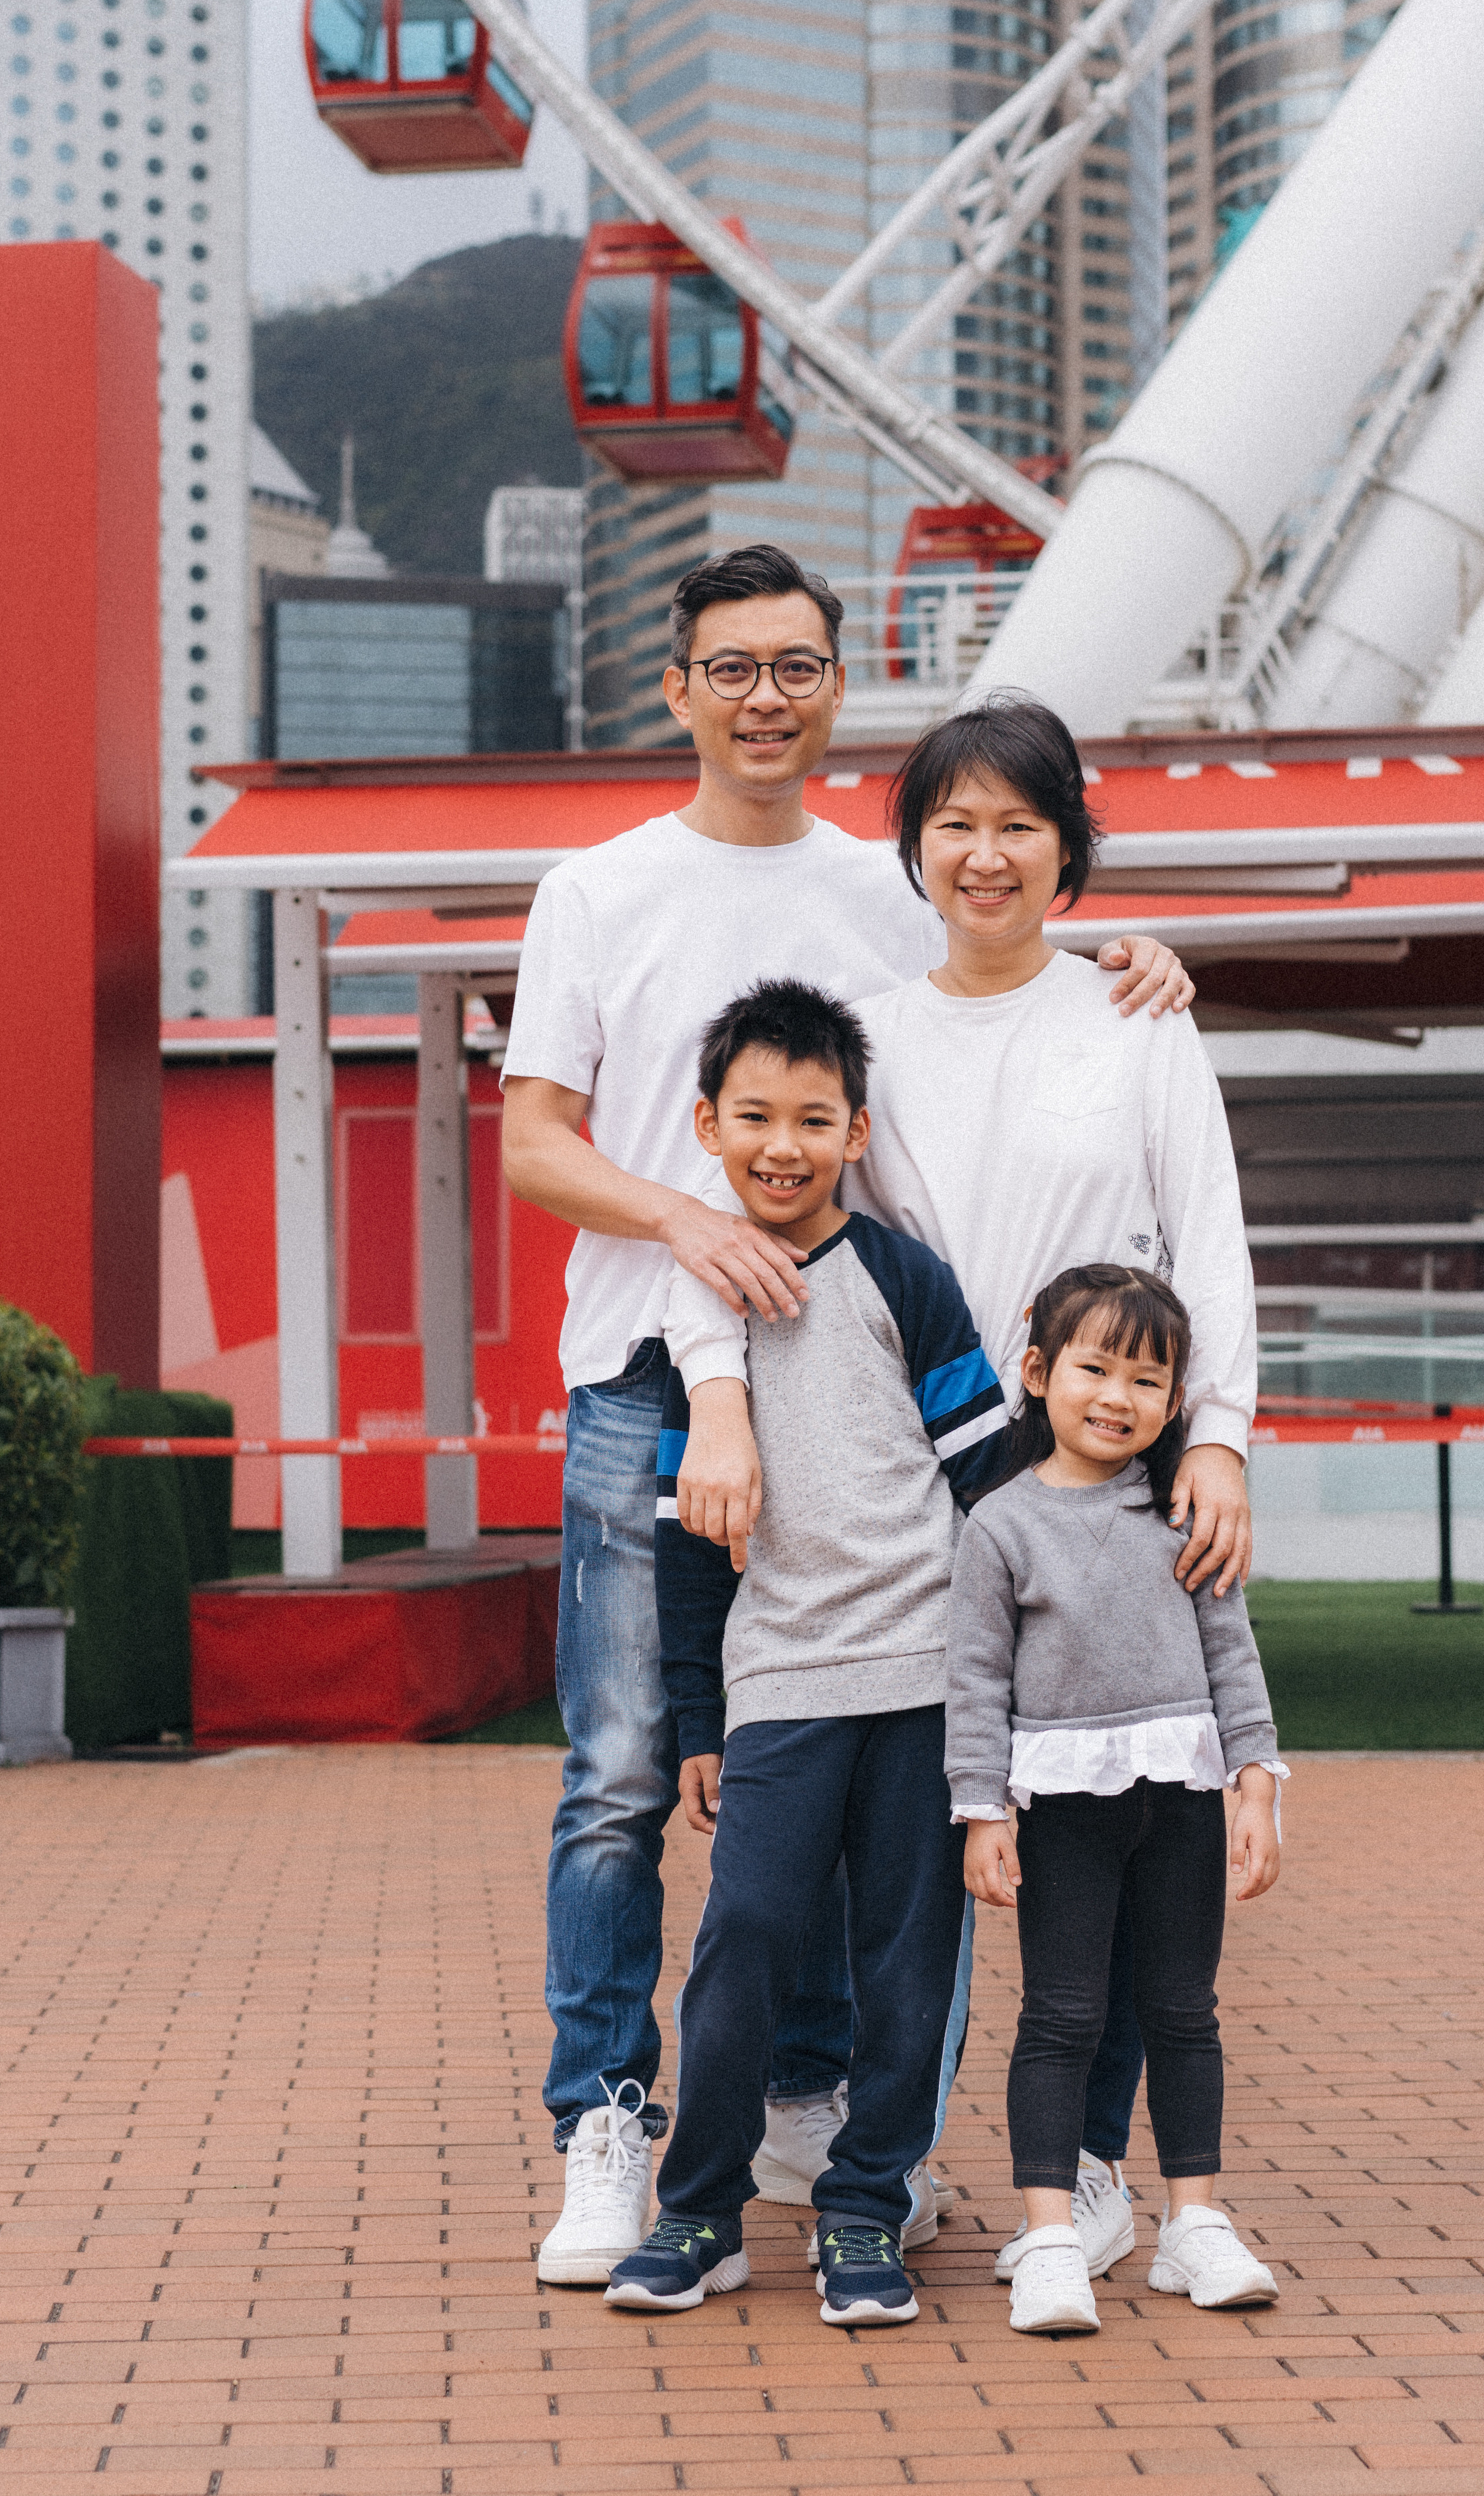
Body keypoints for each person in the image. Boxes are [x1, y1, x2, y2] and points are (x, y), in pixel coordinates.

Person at [499, 547, 1191, 2286]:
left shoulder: (881, 892)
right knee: (625, 1772)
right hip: (641, 1377)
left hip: (854, 1379)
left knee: (859, 1754)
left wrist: (1134, 965)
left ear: (834, 688)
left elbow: (991, 969)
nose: (765, 697)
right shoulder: (596, 889)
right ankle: (608, 2121)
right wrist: (695, 1233)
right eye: (731, 667)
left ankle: (817, 2112)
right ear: (677, 688)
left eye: (797, 666)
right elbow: (532, 1143)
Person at [669, 694, 1256, 2281]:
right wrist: (714, 1396)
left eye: (1017, 825)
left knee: (1109, 1828)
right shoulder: (869, 1037)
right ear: (915, 849)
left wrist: (1213, 1436)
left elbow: (1203, 1237)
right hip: (930, 1471)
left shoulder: (1133, 1015)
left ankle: (1094, 2169)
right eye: (953, 825)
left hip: (1112, 1464)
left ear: (1068, 851)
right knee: (930, 1836)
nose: (984, 855)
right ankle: (886, 2156)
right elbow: (751, 1223)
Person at [604, 980, 1012, 2325]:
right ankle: (698, 2209)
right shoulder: (695, 1313)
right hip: (779, 1680)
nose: (783, 1145)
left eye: (814, 1119)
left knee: (907, 1960)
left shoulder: (906, 1279)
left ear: (856, 1132)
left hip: (925, 1683)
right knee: (747, 1936)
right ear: (708, 1127)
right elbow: (682, 1539)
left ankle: (863, 2208)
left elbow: (990, 1488)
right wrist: (699, 1720)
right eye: (755, 1117)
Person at [945, 1262, 1286, 2337]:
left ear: (1176, 1400)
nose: (1118, 1397)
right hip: (1063, 1810)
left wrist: (1255, 1784)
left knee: (1183, 2012)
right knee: (1062, 2017)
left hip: (1182, 1799)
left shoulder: (1185, 1510)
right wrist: (982, 1810)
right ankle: (1052, 2239)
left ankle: (1194, 2224)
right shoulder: (1000, 1526)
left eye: (1148, 1379)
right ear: (1038, 1373)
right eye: (1095, 1369)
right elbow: (975, 1682)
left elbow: (1232, 1654)